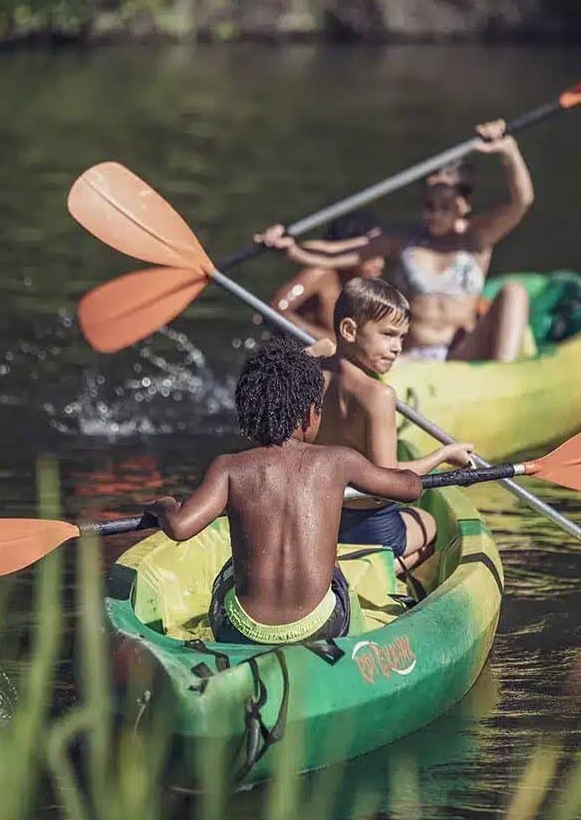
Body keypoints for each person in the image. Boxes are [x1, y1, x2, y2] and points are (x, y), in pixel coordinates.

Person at [144, 338, 423, 646]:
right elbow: (409, 489)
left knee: (228, 569)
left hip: (241, 631)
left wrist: (164, 505)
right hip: (321, 627)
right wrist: (415, 472)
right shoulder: (338, 460)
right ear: (309, 414)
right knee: (333, 566)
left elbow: (180, 526)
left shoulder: (228, 467)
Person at [258, 119, 534, 362]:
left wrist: (508, 152)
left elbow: (521, 201)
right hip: (412, 357)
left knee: (514, 292)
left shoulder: (477, 239)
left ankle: (504, 376)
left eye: (445, 206)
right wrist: (291, 247)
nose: (435, 215)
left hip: (462, 352)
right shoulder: (403, 240)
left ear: (464, 205)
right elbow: (338, 253)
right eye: (429, 205)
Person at [314, 277, 474, 571]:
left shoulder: (311, 373)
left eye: (402, 337)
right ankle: (383, 568)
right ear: (349, 330)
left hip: (321, 517)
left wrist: (322, 349)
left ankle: (363, 564)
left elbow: (319, 350)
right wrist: (444, 455)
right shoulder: (377, 395)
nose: (397, 347)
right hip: (369, 526)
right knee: (428, 524)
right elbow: (386, 483)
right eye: (388, 334)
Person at [272, 210, 385, 341]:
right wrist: (329, 341)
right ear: (346, 249)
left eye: (381, 253)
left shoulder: (364, 287)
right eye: (371, 254)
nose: (380, 263)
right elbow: (277, 311)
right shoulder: (320, 274)